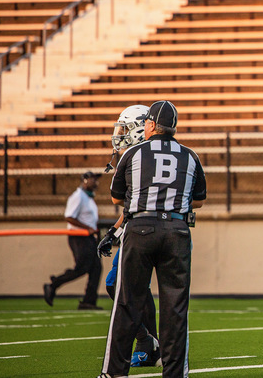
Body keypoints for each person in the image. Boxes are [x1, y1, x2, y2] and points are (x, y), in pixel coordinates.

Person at [98, 100, 206, 378]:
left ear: (149, 125)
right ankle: (174, 374)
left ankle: (114, 373)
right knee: (175, 309)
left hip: (140, 229)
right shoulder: (190, 156)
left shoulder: (133, 153)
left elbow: (117, 197)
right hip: (177, 232)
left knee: (126, 303)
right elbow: (199, 201)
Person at [97, 104, 161, 368]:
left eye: (124, 128)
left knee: (117, 284)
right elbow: (132, 205)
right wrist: (113, 232)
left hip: (146, 229)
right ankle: (150, 345)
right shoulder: (145, 154)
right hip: (142, 226)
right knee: (136, 289)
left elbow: (123, 198)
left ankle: (148, 342)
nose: (119, 134)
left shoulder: (138, 156)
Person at [44, 170, 103, 310]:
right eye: (93, 179)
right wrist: (87, 227)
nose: (96, 182)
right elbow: (69, 216)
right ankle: (53, 285)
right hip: (78, 236)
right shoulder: (78, 197)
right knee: (82, 267)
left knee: (96, 268)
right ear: (85, 180)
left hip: (88, 237)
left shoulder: (88, 198)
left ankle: (89, 301)